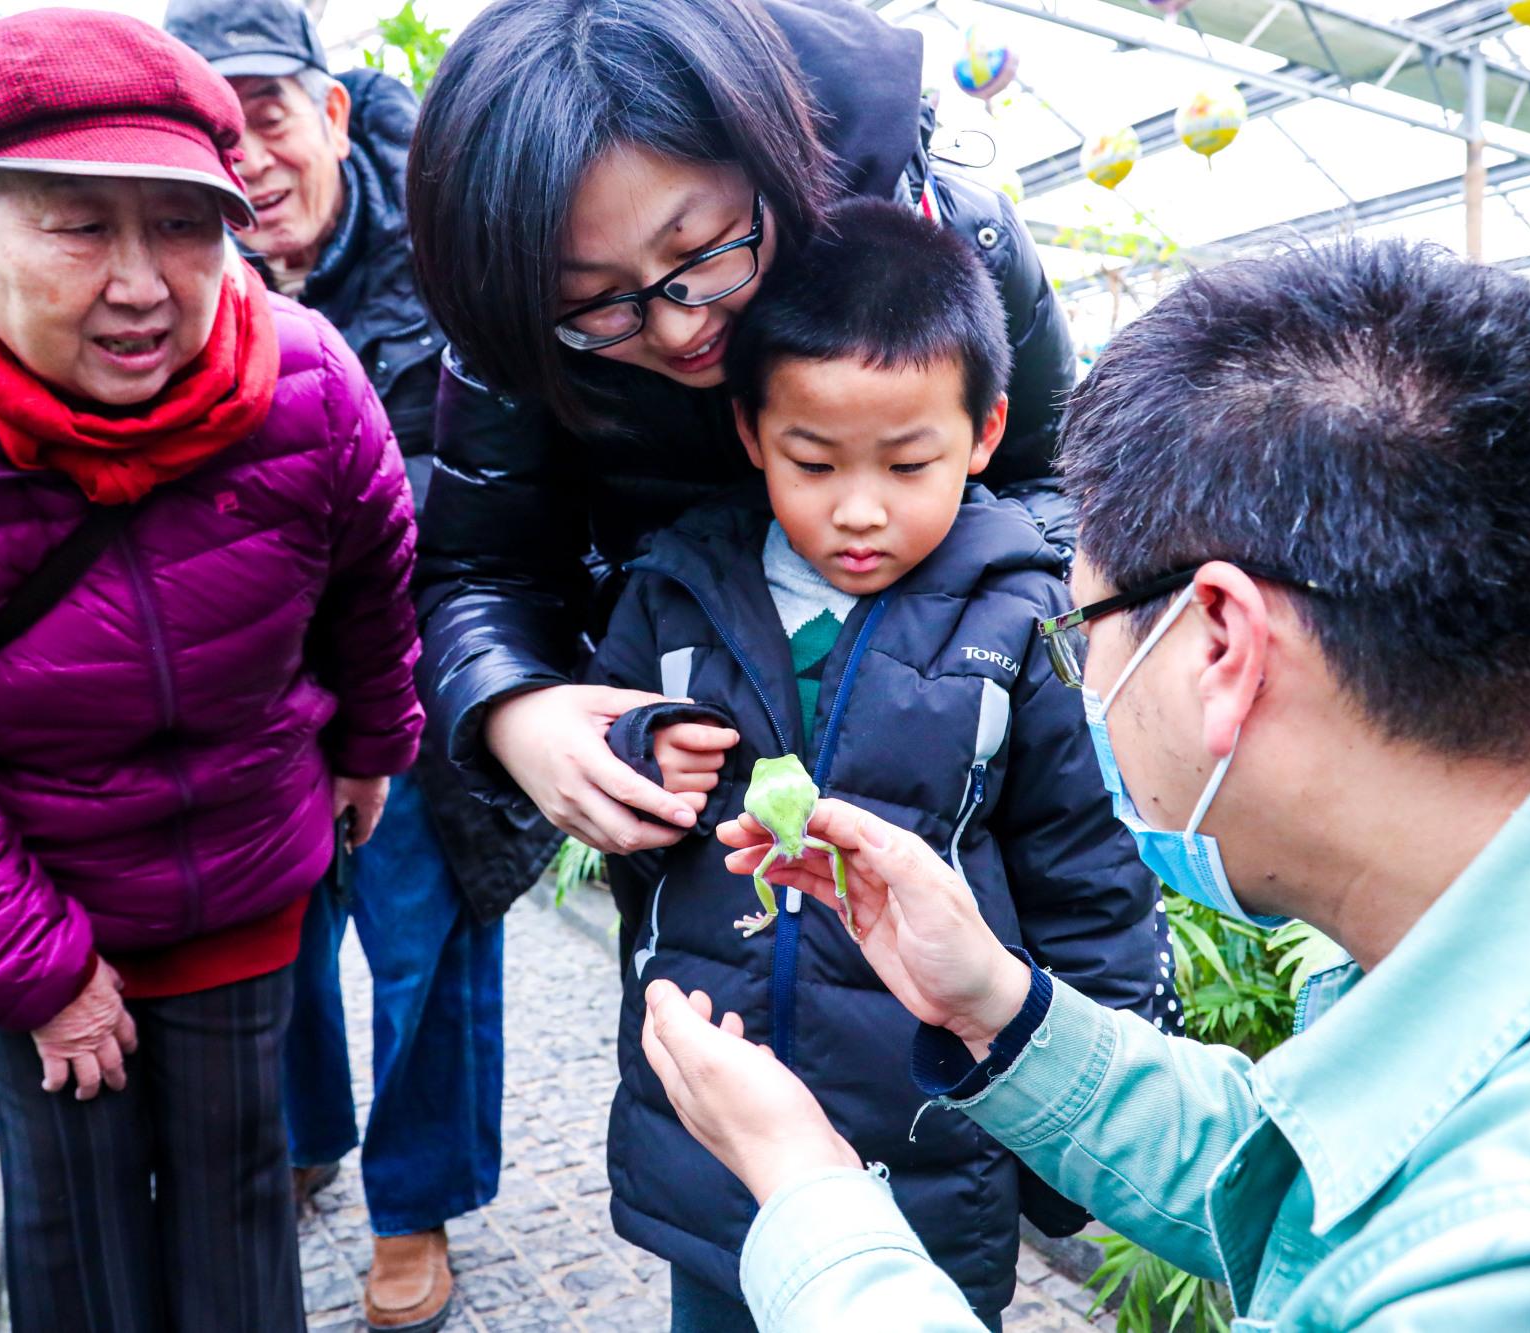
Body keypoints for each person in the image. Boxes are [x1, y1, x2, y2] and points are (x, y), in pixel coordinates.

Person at [642, 239, 1530, 1329]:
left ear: (1219, 643)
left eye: (1084, 631)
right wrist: (1000, 1007)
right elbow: (1292, 1176)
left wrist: (806, 1193)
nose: (1080, 676)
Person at [0, 12, 422, 1331]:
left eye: (182, 225)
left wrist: (370, 742)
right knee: (78, 1219)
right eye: (78, 224)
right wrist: (33, 966)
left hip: (237, 873)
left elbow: (369, 581)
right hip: (25, 893)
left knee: (241, 1197)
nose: (143, 282)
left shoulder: (307, 381)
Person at [582, 198, 1171, 1329]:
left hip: (925, 1134)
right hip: (716, 1117)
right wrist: (634, 752)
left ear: (985, 432)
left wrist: (1086, 1122)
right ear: (751, 434)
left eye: (907, 463)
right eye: (812, 460)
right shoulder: (676, 591)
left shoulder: (1022, 622)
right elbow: (605, 793)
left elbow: (1087, 868)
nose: (858, 511)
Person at [404, 0, 1080, 903]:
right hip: (709, 821)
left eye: (700, 247)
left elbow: (1067, 482)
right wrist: (514, 710)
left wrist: (958, 628)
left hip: (962, 784)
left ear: (769, 152)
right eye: (599, 299)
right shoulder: (522, 337)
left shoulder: (946, 239)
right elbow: (482, 570)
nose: (682, 327)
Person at [160, 6, 522, 1326]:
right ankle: (312, 1131)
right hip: (250, 695)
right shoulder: (172, 271)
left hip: (415, 670)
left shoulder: (444, 253)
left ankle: (414, 1202)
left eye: (267, 111)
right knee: (281, 940)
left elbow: (494, 470)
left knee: (422, 938)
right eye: (211, 122)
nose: (245, 153)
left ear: (330, 115)